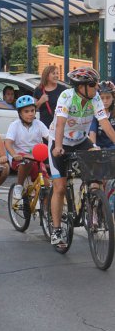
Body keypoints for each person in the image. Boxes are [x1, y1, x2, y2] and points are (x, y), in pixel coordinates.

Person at [49, 67, 115, 246]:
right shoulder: (66, 97)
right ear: (81, 86)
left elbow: (105, 124)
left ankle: (93, 206)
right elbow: (60, 124)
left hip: (80, 140)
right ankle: (56, 230)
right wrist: (59, 146)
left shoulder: (95, 99)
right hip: (59, 141)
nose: (97, 88)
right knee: (60, 187)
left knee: (99, 169)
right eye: (93, 85)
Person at [5, 95, 50, 200]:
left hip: (36, 157)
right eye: (26, 111)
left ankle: (47, 213)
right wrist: (14, 154)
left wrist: (57, 147)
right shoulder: (14, 125)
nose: (30, 114)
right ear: (20, 113)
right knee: (26, 162)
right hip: (19, 157)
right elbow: (7, 143)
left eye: (32, 110)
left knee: (47, 186)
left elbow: (50, 138)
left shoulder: (39, 124)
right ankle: (19, 186)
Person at [89, 81, 115, 148]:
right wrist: (94, 148)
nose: (105, 101)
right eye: (102, 98)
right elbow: (92, 132)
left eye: (108, 97)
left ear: (113, 98)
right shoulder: (94, 114)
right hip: (99, 148)